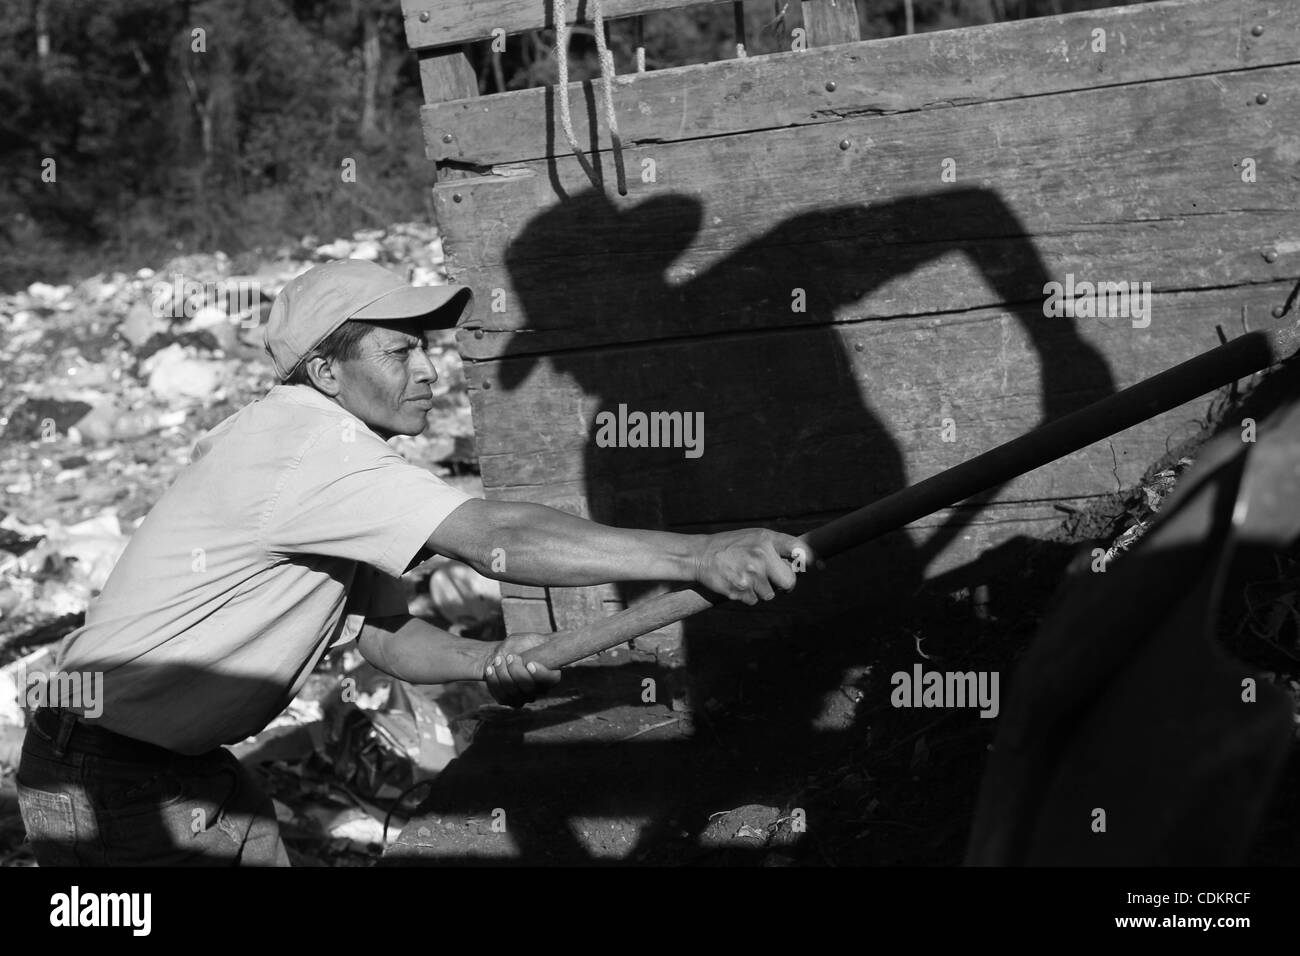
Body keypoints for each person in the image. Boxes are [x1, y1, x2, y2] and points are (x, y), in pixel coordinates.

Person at [16, 258, 804, 866]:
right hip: (103, 778)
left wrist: (489, 655)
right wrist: (698, 555)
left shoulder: (340, 465)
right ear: (326, 373)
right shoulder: (308, 449)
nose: (429, 370)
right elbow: (497, 534)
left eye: (426, 349)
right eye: (400, 352)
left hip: (179, 769)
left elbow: (385, 636)